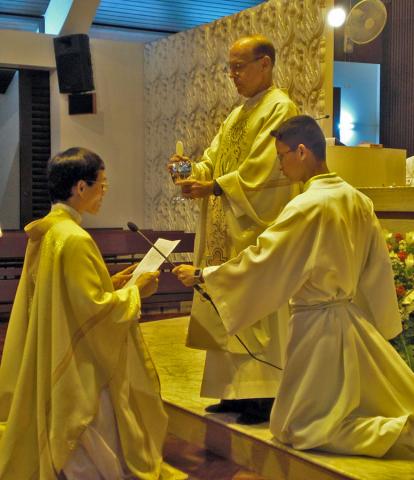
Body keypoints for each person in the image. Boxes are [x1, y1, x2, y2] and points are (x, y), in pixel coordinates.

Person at [173, 115, 414, 458]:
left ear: (302, 152)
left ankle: (389, 431)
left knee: (298, 427)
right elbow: (377, 272)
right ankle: (389, 426)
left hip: (315, 325)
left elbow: (264, 261)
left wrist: (204, 276)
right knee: (323, 409)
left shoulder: (305, 205)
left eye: (282, 156)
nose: (280, 166)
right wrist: (385, 327)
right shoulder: (357, 200)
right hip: (349, 321)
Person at [0, 148, 182, 479]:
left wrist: (110, 283)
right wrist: (136, 292)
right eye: (102, 184)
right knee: (89, 437)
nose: (104, 192)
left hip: (57, 343)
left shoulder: (48, 231)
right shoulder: (74, 238)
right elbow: (94, 310)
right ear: (80, 188)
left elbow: (61, 295)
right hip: (79, 360)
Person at [169, 35, 298, 424]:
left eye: (239, 67)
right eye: (230, 68)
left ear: (265, 64)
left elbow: (264, 169)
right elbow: (215, 158)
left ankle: (262, 394)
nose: (233, 75)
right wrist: (193, 171)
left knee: (255, 311)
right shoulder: (237, 114)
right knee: (223, 305)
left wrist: (216, 186)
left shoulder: (281, 108)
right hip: (227, 227)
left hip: (254, 230)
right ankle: (232, 392)